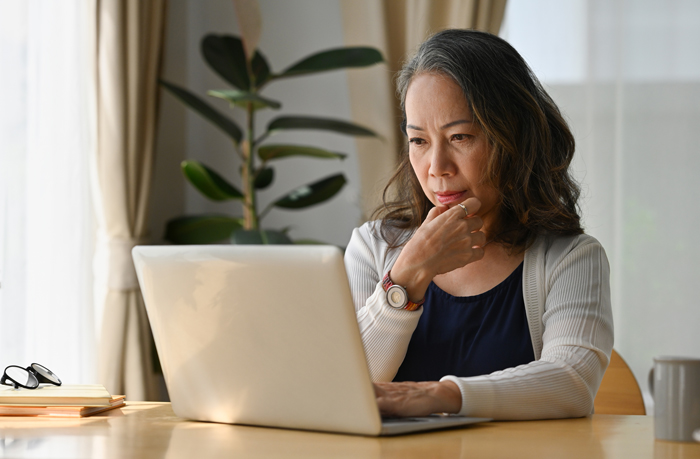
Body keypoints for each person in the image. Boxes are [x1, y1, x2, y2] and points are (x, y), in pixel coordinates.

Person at [344, 29, 614, 421]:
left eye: (460, 136)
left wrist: (438, 395)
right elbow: (349, 385)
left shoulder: (570, 258)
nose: (437, 168)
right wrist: (407, 276)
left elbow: (572, 382)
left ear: (512, 139)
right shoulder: (373, 247)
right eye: (418, 141)